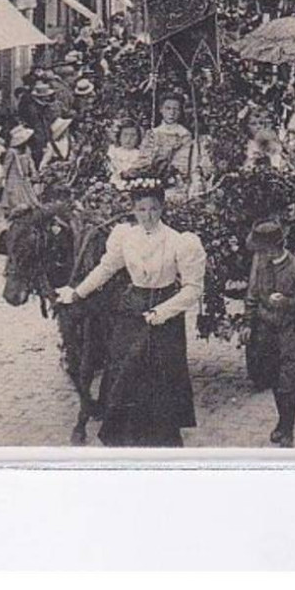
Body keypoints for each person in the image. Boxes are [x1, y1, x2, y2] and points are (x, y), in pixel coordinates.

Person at [56, 173, 207, 447]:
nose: (147, 216)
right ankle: (123, 435)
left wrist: (163, 312)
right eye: (141, 209)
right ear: (133, 210)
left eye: (153, 209)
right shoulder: (125, 236)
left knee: (160, 373)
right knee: (123, 367)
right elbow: (106, 268)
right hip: (132, 309)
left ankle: (161, 437)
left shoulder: (180, 241)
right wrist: (77, 293)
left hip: (165, 312)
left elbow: (193, 288)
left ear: (161, 209)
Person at [244, 219, 295, 448]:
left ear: (273, 248)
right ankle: (282, 422)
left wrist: (288, 302)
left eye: (261, 250)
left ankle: (287, 430)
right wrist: (248, 323)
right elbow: (252, 296)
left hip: (291, 334)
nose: (258, 254)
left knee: (288, 383)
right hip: (266, 334)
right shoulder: (259, 264)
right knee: (276, 382)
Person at [142, 93, 193, 178]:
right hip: (152, 175)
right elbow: (145, 156)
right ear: (161, 109)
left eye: (176, 109)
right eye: (168, 108)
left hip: (175, 176)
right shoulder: (153, 132)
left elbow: (183, 160)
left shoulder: (184, 134)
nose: (172, 113)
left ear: (180, 112)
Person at [1, 125, 40, 216]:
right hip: (14, 177)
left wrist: (33, 172)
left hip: (24, 177)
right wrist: (3, 177)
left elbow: (30, 162)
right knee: (14, 197)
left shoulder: (27, 150)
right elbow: (6, 165)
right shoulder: (12, 152)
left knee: (28, 196)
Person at [107, 119, 144, 190]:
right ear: (119, 136)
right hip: (114, 184)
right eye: (125, 135)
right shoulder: (113, 152)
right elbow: (111, 168)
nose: (128, 139)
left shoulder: (140, 154)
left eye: (133, 135)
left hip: (134, 185)